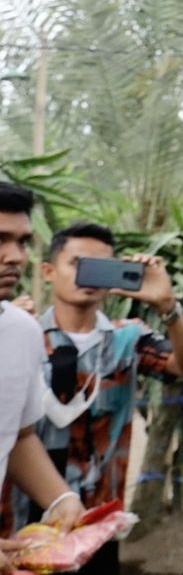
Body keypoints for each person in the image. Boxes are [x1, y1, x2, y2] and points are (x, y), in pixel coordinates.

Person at [0, 222, 183, 573]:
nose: (88, 277)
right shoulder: (23, 332)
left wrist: (167, 305)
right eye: (77, 264)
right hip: (19, 520)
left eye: (100, 267)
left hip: (95, 519)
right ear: (48, 271)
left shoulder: (128, 338)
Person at [0, 184, 83, 573]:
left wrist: (60, 498)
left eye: (22, 242)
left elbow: (17, 435)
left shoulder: (22, 333)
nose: (16, 257)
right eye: (0, 240)